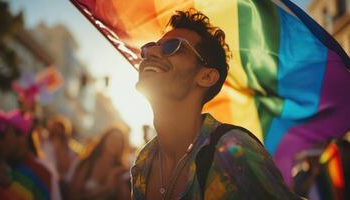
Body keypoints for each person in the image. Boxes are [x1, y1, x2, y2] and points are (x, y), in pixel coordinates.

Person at [131, 9, 301, 200]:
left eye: (172, 46)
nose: (150, 52)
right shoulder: (143, 162)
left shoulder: (232, 151)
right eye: (149, 47)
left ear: (206, 76)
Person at [68, 126, 131, 200]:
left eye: (119, 140)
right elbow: (73, 194)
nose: (115, 142)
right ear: (104, 139)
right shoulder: (89, 162)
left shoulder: (121, 171)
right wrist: (107, 187)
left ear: (122, 146)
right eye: (113, 138)